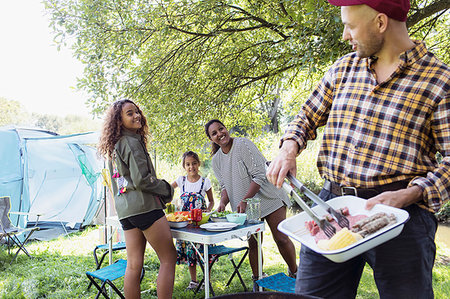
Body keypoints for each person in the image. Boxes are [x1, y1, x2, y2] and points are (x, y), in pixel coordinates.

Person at [266, 0, 449, 298]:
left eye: (350, 26)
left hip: (400, 218)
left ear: (380, 23)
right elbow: (305, 117)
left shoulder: (440, 81)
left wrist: (411, 193)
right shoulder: (343, 69)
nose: (344, 36)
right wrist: (288, 148)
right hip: (331, 206)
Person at [205, 119, 298, 290]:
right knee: (254, 243)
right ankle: (257, 280)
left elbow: (259, 176)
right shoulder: (216, 160)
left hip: (269, 196)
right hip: (247, 205)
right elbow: (224, 186)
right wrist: (223, 203)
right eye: (214, 133)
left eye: (221, 129)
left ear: (226, 128)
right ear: (211, 139)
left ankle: (295, 274)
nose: (220, 134)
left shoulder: (243, 144)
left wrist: (245, 199)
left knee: (281, 238)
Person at [98, 99, 177, 299]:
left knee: (133, 266)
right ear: (119, 120)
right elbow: (143, 180)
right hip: (145, 208)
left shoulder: (114, 146)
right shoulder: (131, 142)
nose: (136, 116)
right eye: (130, 113)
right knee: (169, 258)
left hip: (125, 212)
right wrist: (166, 189)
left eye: (137, 112)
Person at [171, 151, 215, 290]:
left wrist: (208, 210)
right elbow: (167, 190)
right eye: (188, 164)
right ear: (184, 166)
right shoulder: (181, 181)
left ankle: (206, 281)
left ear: (199, 164)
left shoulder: (204, 182)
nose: (191, 167)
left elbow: (212, 201)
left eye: (194, 163)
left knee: (203, 251)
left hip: (199, 224)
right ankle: (194, 281)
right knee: (190, 252)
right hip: (184, 224)